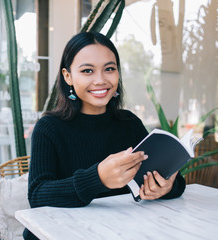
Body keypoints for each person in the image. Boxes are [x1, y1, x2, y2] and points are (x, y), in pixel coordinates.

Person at [23, 32, 186, 240]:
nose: (100, 80)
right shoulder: (49, 128)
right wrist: (98, 178)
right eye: (87, 71)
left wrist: (167, 187)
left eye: (109, 69)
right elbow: (37, 195)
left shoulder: (129, 124)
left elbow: (175, 182)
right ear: (68, 76)